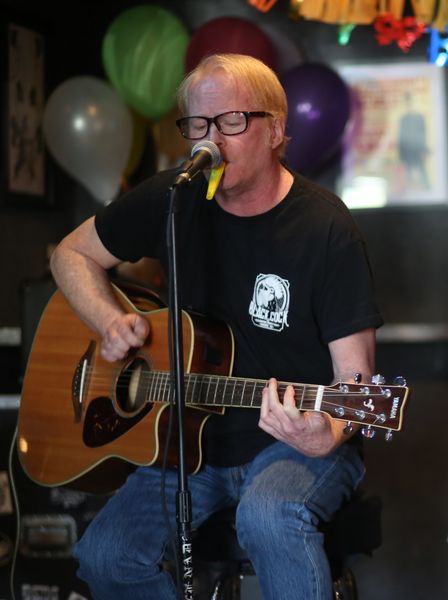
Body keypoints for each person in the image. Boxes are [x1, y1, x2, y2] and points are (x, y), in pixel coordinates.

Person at [49, 53, 383, 600]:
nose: (212, 140)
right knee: (105, 554)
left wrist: (327, 432)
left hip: (292, 443)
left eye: (231, 121)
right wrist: (107, 320)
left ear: (275, 130)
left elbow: (357, 384)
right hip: (186, 444)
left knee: (268, 517)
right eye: (199, 125)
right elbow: (71, 254)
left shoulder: (327, 228)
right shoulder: (173, 198)